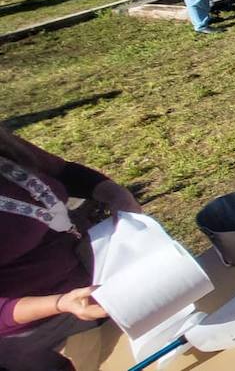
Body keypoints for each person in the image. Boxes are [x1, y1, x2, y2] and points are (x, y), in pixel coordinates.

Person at [0, 128, 142, 371]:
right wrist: (61, 303)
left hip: (101, 279)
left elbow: (62, 171)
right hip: (43, 332)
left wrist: (116, 195)